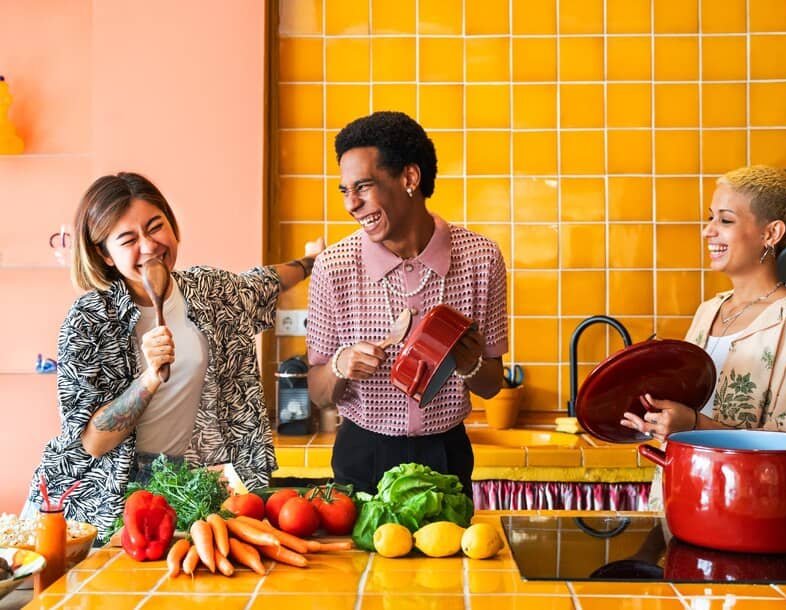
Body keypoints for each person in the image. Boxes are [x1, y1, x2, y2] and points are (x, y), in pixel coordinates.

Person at [25, 172, 324, 534]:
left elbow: (265, 281)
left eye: (155, 227)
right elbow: (92, 441)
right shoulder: (88, 320)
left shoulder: (210, 291)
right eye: (128, 239)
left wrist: (311, 261)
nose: (149, 246)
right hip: (105, 496)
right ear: (104, 254)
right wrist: (148, 377)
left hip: (190, 484)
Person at [620, 166, 786, 509]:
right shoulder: (709, 311)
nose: (707, 231)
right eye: (710, 217)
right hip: (685, 503)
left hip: (753, 516)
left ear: (771, 233)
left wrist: (693, 425)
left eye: (725, 220)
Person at [306, 111, 508, 496]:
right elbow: (317, 390)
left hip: (445, 453)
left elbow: (492, 384)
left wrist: (470, 363)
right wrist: (339, 366)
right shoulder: (333, 267)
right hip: (362, 453)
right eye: (345, 191)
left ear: (409, 178)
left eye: (363, 186)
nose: (352, 204)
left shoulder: (482, 259)